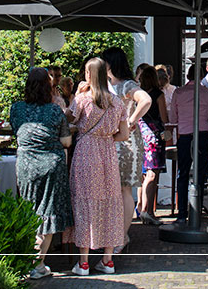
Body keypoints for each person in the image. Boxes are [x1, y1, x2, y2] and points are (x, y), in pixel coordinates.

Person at [66, 57, 130, 276]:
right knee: (110, 203)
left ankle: (83, 263)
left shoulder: (83, 99)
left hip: (85, 152)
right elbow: (124, 134)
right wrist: (105, 138)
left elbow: (67, 120)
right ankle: (108, 260)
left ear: (89, 74)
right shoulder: (118, 102)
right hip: (108, 154)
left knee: (85, 202)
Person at [10, 68, 74, 281]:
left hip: (26, 164)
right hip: (50, 164)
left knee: (28, 210)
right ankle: (37, 263)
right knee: (47, 211)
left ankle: (28, 259)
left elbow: (17, 132)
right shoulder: (55, 111)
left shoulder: (16, 109)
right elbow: (66, 142)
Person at [100, 47, 152, 247]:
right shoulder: (109, 85)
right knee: (116, 190)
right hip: (114, 142)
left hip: (126, 144)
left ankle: (121, 236)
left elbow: (145, 100)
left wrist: (131, 120)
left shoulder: (126, 86)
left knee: (124, 189)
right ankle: (118, 233)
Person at [167, 63, 208, 223]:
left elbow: (173, 119)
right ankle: (198, 210)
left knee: (182, 173)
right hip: (202, 135)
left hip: (185, 136)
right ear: (202, 76)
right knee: (201, 174)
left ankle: (182, 213)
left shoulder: (179, 92)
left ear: (188, 75)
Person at [136, 64, 168, 225]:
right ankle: (147, 210)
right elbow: (164, 117)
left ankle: (144, 208)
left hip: (141, 134)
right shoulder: (158, 95)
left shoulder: (138, 95)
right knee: (152, 173)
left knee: (146, 173)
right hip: (154, 136)